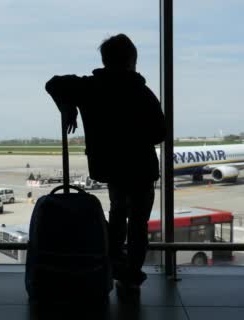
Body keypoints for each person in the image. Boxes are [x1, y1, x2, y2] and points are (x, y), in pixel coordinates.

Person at [45, 34, 165, 293]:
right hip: (141, 168)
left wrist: (67, 107)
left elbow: (53, 83)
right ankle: (131, 273)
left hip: (111, 167)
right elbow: (160, 133)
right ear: (133, 61)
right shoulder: (142, 93)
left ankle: (113, 264)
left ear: (104, 60)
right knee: (138, 224)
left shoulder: (90, 87)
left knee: (117, 214)